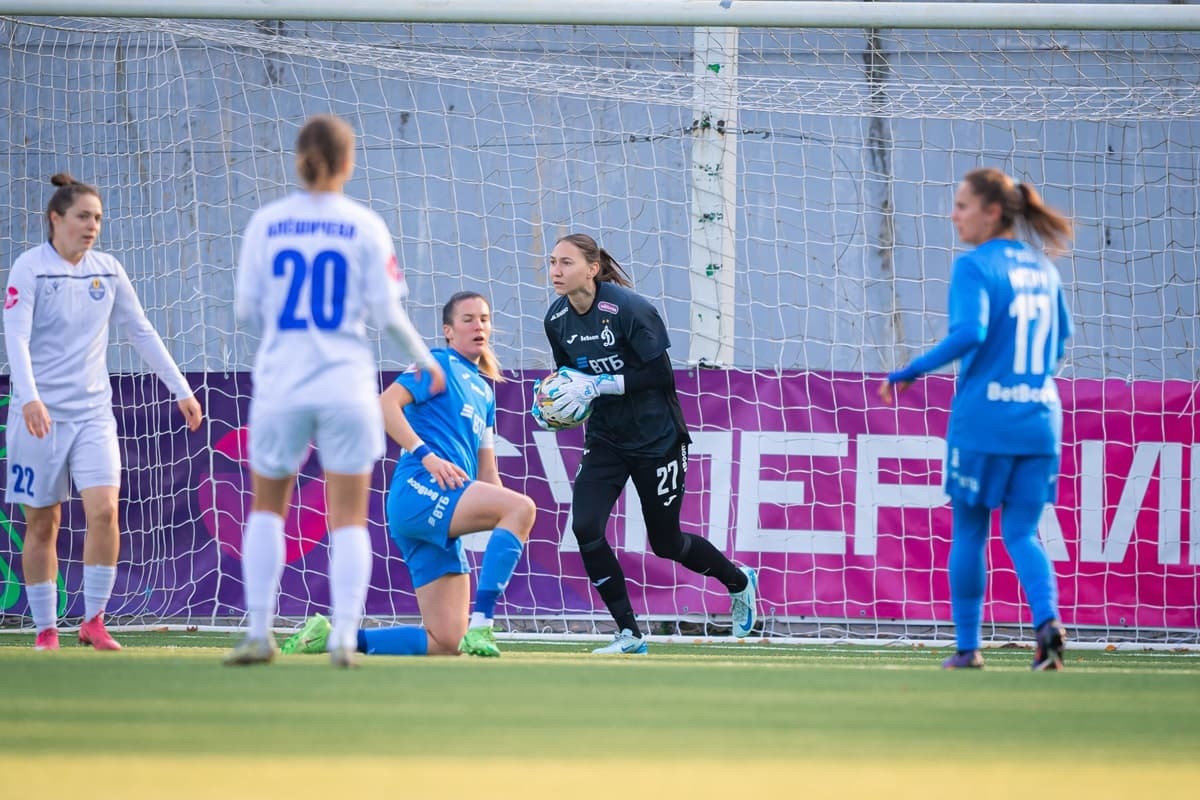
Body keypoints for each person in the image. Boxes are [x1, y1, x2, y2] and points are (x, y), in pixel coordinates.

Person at [224, 114, 445, 669]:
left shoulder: (267, 223)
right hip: (346, 380)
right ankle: (345, 635)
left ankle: (257, 632)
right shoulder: (364, 225)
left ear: (298, 160)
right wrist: (423, 362)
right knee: (348, 515)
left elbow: (246, 310)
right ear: (349, 163)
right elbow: (387, 313)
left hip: (282, 379)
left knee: (267, 509)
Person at [878, 167, 1073, 671]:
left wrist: (912, 369)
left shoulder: (974, 266)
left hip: (986, 418)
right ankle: (1047, 623)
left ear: (991, 212)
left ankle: (968, 648)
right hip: (1039, 416)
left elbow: (970, 331)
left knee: (969, 532)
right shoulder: (1043, 268)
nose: (953, 214)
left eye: (962, 205)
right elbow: (1060, 345)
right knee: (1022, 533)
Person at [3, 173, 204, 652]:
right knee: (43, 523)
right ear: (57, 219)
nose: (92, 226)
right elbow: (17, 337)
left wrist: (180, 388)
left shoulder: (109, 269)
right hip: (39, 415)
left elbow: (141, 331)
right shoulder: (29, 268)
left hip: (94, 413)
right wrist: (28, 396)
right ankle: (46, 630)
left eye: (97, 218)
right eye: (82, 217)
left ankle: (94, 621)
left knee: (105, 511)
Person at [280, 291, 535, 658]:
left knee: (446, 642)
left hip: (444, 503)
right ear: (448, 330)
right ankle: (484, 625)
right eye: (468, 319)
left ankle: (334, 639)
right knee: (522, 507)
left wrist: (502, 517)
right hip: (420, 490)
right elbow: (385, 405)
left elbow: (488, 472)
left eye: (484, 318)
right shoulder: (436, 363)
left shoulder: (485, 390)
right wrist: (427, 456)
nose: (479, 325)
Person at [536, 233, 758, 654]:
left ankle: (739, 581)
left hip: (658, 440)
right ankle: (628, 633)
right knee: (584, 527)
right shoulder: (556, 319)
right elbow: (572, 381)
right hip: (605, 439)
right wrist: (559, 403)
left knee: (666, 542)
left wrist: (598, 383)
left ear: (593, 268)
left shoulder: (630, 310)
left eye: (565, 263)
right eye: (552, 263)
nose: (555, 272)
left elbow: (660, 377)